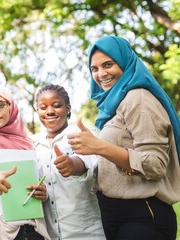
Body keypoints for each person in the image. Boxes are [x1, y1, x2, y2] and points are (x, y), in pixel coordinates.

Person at [67, 36, 180, 240]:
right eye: (94, 69)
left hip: (142, 216)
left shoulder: (138, 98)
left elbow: (156, 164)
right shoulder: (114, 105)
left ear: (125, 61)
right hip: (116, 215)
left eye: (108, 64)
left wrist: (100, 147)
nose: (101, 74)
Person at [0, 85, 50, 240]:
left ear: (11, 107)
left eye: (0, 105)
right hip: (2, 231)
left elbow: (40, 181)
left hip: (35, 230)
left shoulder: (29, 143)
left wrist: (43, 192)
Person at [34, 84, 105, 239]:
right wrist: (41, 192)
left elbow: (90, 163)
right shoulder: (34, 144)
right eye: (43, 107)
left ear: (68, 108)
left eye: (57, 105)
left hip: (87, 233)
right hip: (51, 234)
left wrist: (73, 165)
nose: (50, 111)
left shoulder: (84, 133)